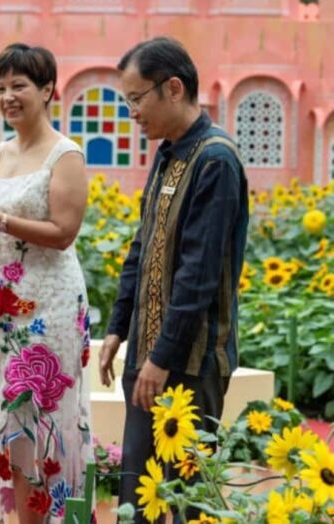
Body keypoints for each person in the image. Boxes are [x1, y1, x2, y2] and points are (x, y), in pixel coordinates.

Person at [97, 37, 248, 523]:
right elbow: (143, 248)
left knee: (183, 503)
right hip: (148, 357)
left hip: (189, 364)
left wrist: (162, 358)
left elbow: (198, 276)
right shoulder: (169, 154)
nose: (133, 113)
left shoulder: (215, 160)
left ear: (174, 88)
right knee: (138, 501)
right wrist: (119, 326)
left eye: (137, 100)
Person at [0, 43, 93, 523]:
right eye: (1, 87)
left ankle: (58, 518)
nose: (8, 96)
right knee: (9, 417)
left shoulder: (66, 155)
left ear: (48, 89)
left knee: (44, 417)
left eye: (19, 86)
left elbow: (64, 232)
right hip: (0, 302)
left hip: (47, 302)